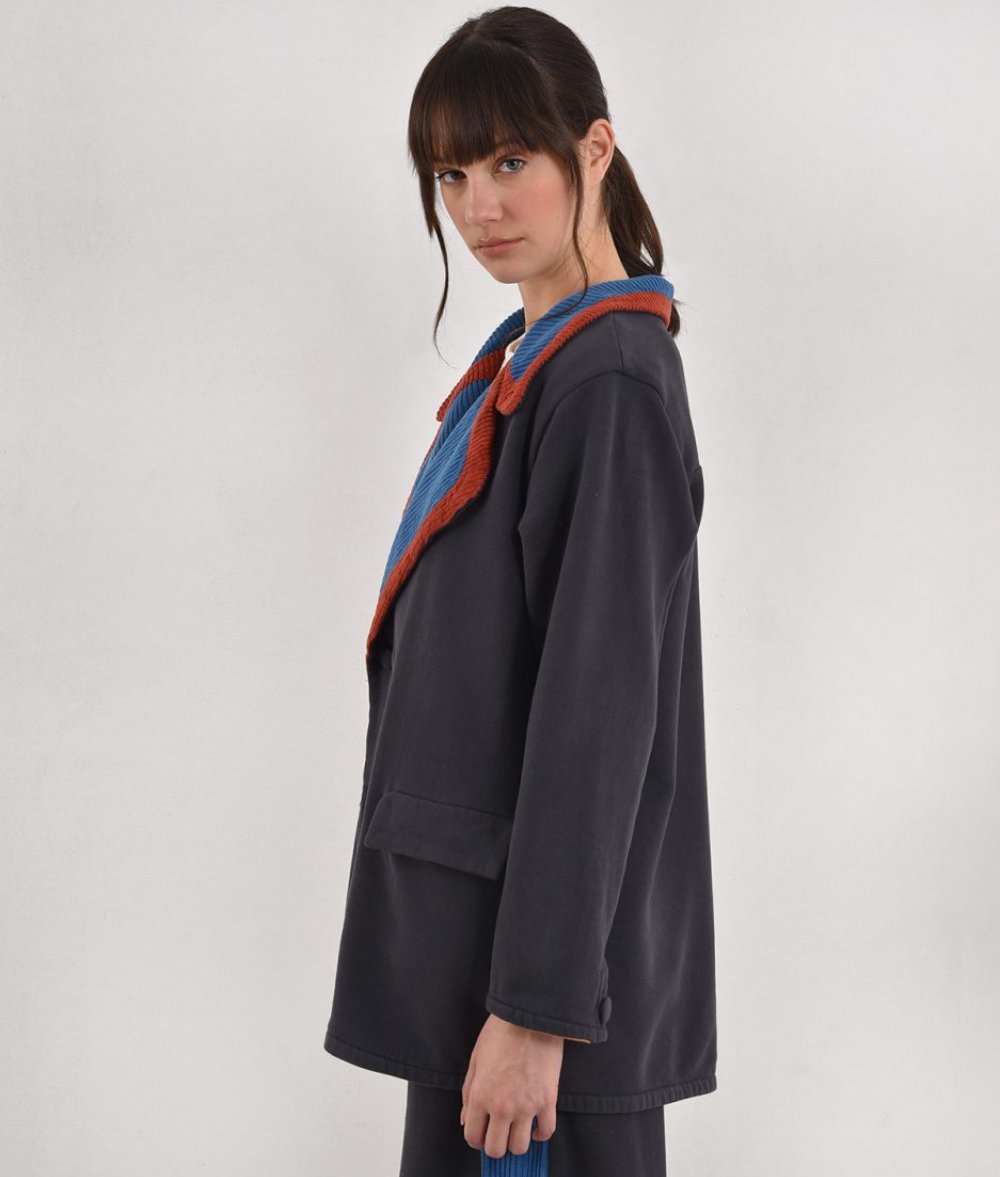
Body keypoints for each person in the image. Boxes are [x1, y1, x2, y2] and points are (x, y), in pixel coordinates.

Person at [323, 7, 718, 1175]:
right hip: (481, 968)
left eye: (509, 162)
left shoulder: (607, 383)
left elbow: (597, 716)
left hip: (538, 1006)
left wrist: (535, 1009)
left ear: (594, 149)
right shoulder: (534, 364)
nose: (477, 207)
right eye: (451, 174)